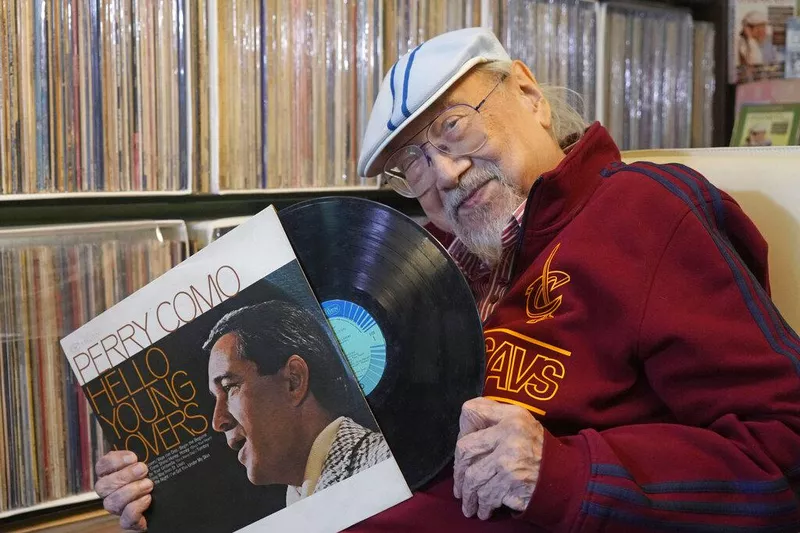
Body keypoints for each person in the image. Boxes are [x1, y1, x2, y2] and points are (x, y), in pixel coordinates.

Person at [95, 27, 800, 532]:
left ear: (528, 94)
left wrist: (562, 473)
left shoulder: (646, 211)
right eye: (415, 165)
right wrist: (167, 486)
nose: (446, 174)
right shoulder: (426, 259)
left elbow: (783, 452)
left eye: (455, 128)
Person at [94, 300, 391, 531]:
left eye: (230, 387)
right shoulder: (300, 494)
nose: (218, 421)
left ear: (293, 381)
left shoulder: (386, 465)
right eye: (215, 398)